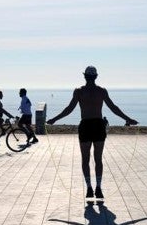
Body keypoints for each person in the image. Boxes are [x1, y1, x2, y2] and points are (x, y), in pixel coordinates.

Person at [47, 66, 138, 199]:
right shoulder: (101, 91)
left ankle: (89, 188)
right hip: (98, 126)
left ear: (85, 76)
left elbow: (69, 109)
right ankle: (98, 188)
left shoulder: (79, 91)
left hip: (86, 125)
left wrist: (54, 119)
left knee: (85, 159)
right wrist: (128, 119)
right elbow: (113, 108)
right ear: (96, 77)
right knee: (98, 159)